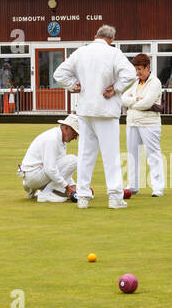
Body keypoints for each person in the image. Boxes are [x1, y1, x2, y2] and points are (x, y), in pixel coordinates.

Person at [52, 24, 135, 209]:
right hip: (106, 110)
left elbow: (58, 74)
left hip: (85, 110)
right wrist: (116, 88)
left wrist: (74, 85)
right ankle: (114, 197)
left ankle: (82, 196)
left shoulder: (81, 52)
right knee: (111, 155)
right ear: (111, 40)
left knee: (85, 155)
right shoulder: (114, 53)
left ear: (95, 35)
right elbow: (130, 74)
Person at [122, 53, 165, 197]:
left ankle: (158, 188)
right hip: (132, 122)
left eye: (140, 69)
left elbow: (147, 102)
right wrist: (136, 100)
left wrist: (132, 103)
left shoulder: (155, 82)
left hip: (149, 123)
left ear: (148, 67)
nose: (138, 72)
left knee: (153, 155)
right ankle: (133, 186)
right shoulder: (134, 82)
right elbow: (123, 99)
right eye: (136, 69)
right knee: (132, 155)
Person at [19, 114, 80, 202]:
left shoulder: (61, 139)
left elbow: (62, 169)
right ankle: (46, 194)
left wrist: (73, 185)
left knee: (68, 162)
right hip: (34, 177)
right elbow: (50, 169)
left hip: (31, 176)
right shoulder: (53, 139)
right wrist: (67, 187)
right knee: (74, 160)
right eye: (75, 134)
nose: (75, 138)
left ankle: (33, 189)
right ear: (67, 128)